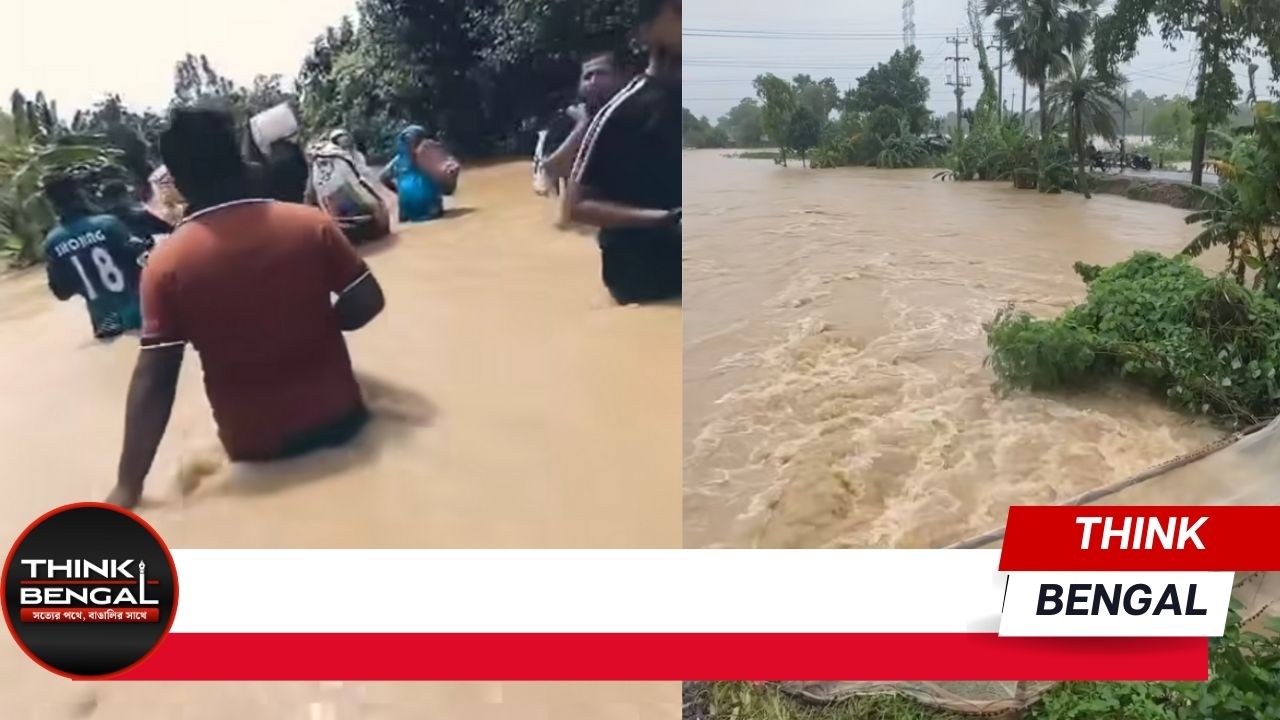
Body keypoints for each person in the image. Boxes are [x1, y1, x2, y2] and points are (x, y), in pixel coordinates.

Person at [105, 106, 386, 509]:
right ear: (240, 159)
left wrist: (127, 486)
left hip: (258, 454)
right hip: (345, 425)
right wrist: (321, 324)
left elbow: (155, 382)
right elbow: (367, 300)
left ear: (179, 182)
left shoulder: (166, 266)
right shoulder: (310, 225)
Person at [566, 0, 682, 305]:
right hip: (643, 284)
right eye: (680, 12)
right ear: (645, 33)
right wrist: (665, 220)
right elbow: (576, 207)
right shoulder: (622, 112)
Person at [42, 173, 149, 339]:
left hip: (104, 327)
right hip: (140, 317)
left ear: (52, 206)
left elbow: (61, 293)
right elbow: (145, 261)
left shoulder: (53, 242)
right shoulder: (109, 224)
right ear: (80, 195)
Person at [539, 51, 628, 198]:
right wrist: (582, 126)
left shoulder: (639, 112)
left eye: (601, 74)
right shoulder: (567, 120)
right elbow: (550, 172)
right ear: (580, 85)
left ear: (620, 78)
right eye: (587, 77)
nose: (593, 81)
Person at [379, 125, 461, 223]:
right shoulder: (401, 161)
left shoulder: (400, 161)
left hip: (415, 211)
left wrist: (451, 175)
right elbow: (383, 178)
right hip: (424, 211)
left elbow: (448, 189)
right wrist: (398, 191)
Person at [100, 180, 174, 248]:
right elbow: (171, 231)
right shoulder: (140, 215)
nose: (130, 196)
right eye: (127, 194)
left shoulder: (103, 225)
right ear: (121, 197)